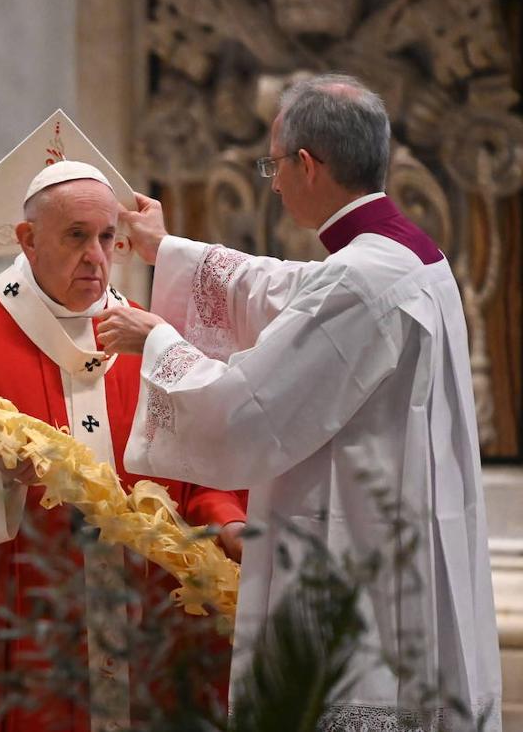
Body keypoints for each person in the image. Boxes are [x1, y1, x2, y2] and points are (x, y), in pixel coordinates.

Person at [97, 74, 502, 729]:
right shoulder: (408, 256)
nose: (274, 182)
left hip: (356, 552)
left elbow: (246, 410)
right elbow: (288, 290)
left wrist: (159, 341)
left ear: (307, 165)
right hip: (397, 534)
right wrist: (167, 251)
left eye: (274, 165)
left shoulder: (362, 277)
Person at [0, 111, 248, 732]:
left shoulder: (145, 334)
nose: (97, 257)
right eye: (75, 236)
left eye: (106, 237)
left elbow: (199, 460)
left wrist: (226, 522)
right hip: (22, 627)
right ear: (26, 237)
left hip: (138, 621)